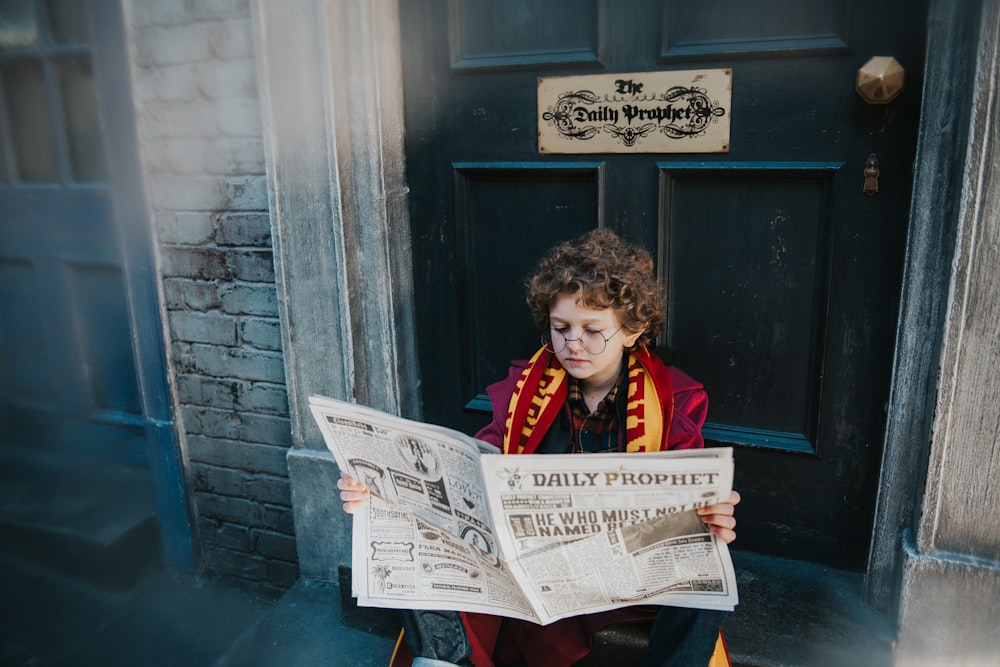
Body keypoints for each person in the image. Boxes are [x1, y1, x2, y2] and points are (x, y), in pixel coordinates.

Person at [339, 228, 740, 667]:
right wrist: (378, 495)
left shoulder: (674, 401)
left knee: (706, 560)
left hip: (625, 576)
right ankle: (441, 661)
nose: (572, 345)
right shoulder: (522, 392)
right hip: (530, 564)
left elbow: (690, 499)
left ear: (632, 329)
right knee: (417, 535)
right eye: (561, 328)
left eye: (593, 331)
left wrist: (711, 514)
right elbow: (472, 471)